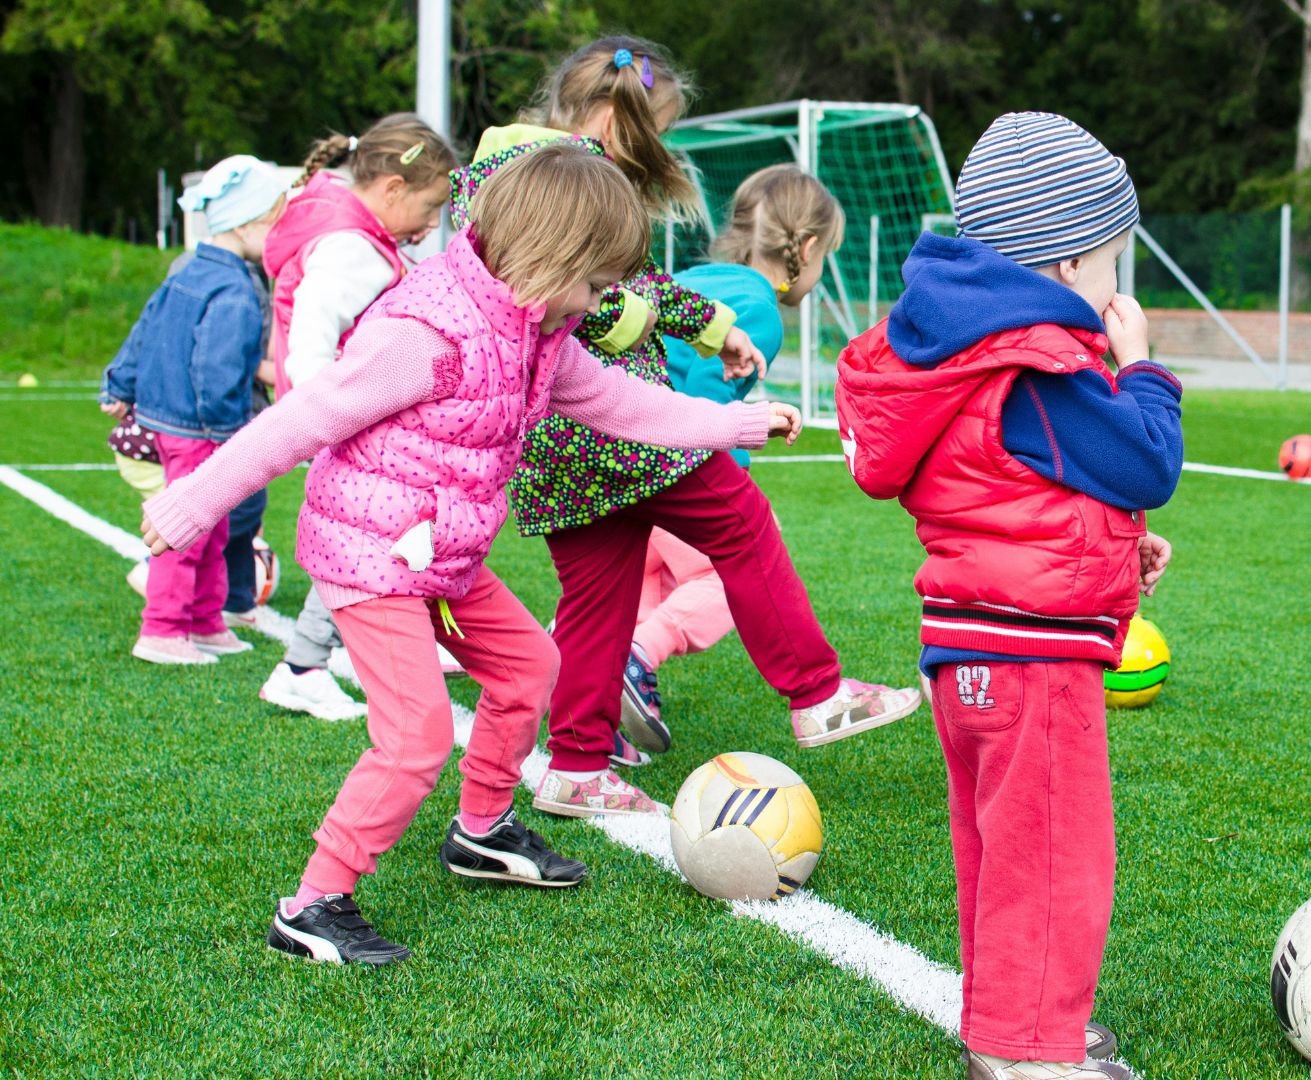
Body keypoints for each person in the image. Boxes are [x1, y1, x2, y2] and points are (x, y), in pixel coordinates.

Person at [137, 144, 800, 967]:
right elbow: (303, 420)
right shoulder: (425, 334)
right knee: (415, 737)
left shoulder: (539, 330)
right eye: (596, 286)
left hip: (441, 556)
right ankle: (311, 905)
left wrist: (738, 422)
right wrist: (193, 502)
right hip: (372, 556)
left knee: (531, 668)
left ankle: (482, 830)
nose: (601, 305)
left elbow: (622, 404)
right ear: (549, 258)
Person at [449, 36, 917, 820]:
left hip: (552, 442)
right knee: (743, 523)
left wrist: (714, 327)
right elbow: (586, 299)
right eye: (654, 130)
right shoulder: (561, 176)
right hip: (614, 425)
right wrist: (657, 327)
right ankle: (816, 692)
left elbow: (634, 282)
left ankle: (576, 766)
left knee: (598, 597)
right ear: (612, 118)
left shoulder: (504, 172)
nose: (655, 149)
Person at [836, 112, 1183, 1080]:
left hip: (971, 647)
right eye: (1111, 261)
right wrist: (1143, 368)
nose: (1116, 287)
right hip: (1032, 655)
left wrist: (1118, 548)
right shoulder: (1036, 363)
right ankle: (1026, 1051)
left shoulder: (962, 348)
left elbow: (1013, 490)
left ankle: (1012, 1022)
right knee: (1055, 857)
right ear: (1067, 263)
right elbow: (1147, 460)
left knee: (1002, 850)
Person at [618, 164, 845, 753]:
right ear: (807, 249)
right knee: (728, 572)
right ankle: (639, 656)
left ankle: (595, 683)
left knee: (638, 581)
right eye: (826, 257)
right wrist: (730, 484)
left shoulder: (694, 279)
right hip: (666, 464)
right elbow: (704, 397)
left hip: (616, 459)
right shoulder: (760, 311)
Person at [255, 113, 460, 722]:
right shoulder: (352, 250)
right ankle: (302, 667)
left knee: (384, 537)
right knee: (367, 543)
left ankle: (342, 653)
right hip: (353, 427)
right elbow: (312, 340)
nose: (432, 225)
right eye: (430, 206)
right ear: (393, 189)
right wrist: (330, 415)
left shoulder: (351, 233)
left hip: (353, 422)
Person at [100, 156, 288, 665]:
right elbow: (216, 367)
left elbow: (145, 326)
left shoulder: (189, 269)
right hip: (202, 429)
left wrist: (120, 381)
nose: (279, 234)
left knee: (214, 526)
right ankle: (162, 629)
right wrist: (230, 434)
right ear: (246, 225)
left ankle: (205, 621)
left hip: (176, 421)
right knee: (187, 529)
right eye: (274, 221)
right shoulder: (235, 288)